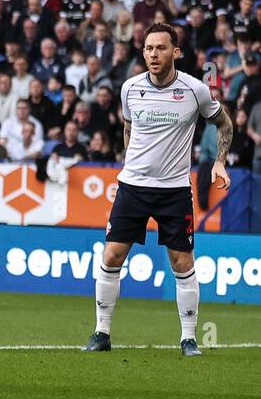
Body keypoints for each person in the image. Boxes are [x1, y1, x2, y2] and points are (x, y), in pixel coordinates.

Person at [85, 24, 234, 357]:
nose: (154, 54)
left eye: (161, 48)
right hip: (133, 187)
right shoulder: (130, 88)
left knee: (182, 262)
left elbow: (223, 123)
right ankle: (101, 333)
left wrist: (219, 162)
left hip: (174, 191)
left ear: (175, 52)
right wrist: (131, 164)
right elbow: (127, 127)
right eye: (149, 48)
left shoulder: (195, 90)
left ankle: (188, 338)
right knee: (111, 256)